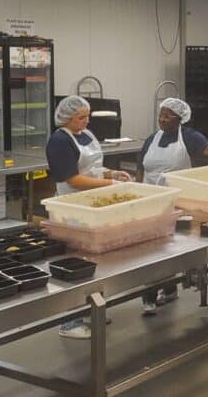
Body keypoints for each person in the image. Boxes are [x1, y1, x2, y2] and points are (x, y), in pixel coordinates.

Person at [137, 98, 208, 315]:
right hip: (150, 202)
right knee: (150, 251)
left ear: (179, 118)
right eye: (160, 114)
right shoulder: (151, 139)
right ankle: (151, 294)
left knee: (168, 250)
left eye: (167, 115)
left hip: (176, 202)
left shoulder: (190, 137)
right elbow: (141, 166)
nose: (162, 119)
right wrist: (137, 193)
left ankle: (164, 290)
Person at [46, 95, 132, 340]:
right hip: (71, 207)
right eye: (80, 117)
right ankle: (68, 321)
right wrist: (110, 183)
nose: (85, 122)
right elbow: (73, 179)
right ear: (66, 117)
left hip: (91, 206)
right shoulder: (60, 141)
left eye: (87, 116)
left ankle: (93, 309)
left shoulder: (86, 135)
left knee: (93, 260)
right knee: (72, 263)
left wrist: (112, 172)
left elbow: (92, 168)